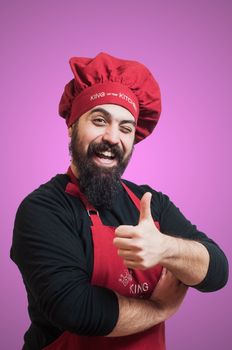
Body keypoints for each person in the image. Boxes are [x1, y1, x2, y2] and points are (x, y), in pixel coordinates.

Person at [11, 52, 228, 350]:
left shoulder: (149, 203)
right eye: (100, 120)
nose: (113, 137)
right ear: (72, 126)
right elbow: (77, 311)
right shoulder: (43, 209)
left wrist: (166, 247)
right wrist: (161, 309)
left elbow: (216, 271)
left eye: (126, 128)